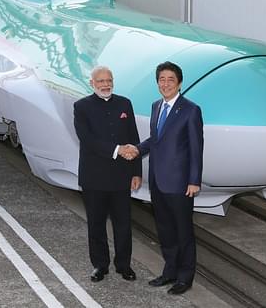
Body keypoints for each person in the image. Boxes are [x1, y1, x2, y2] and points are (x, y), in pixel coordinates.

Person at [125, 61, 203, 295]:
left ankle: (185, 277)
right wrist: (137, 148)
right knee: (165, 230)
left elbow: (197, 148)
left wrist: (194, 180)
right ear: (157, 83)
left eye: (170, 79)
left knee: (183, 232)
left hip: (180, 183)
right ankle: (169, 272)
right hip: (158, 181)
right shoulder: (156, 106)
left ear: (179, 82)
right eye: (162, 79)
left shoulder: (191, 110)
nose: (166, 83)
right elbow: (155, 139)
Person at [73, 66, 142, 282]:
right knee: (96, 224)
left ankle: (124, 265)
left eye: (109, 80)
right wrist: (118, 150)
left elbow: (134, 137)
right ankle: (100, 266)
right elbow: (87, 139)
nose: (105, 84)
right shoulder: (81, 107)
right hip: (94, 177)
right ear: (92, 83)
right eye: (101, 81)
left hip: (122, 177)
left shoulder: (125, 104)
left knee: (123, 224)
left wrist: (137, 172)